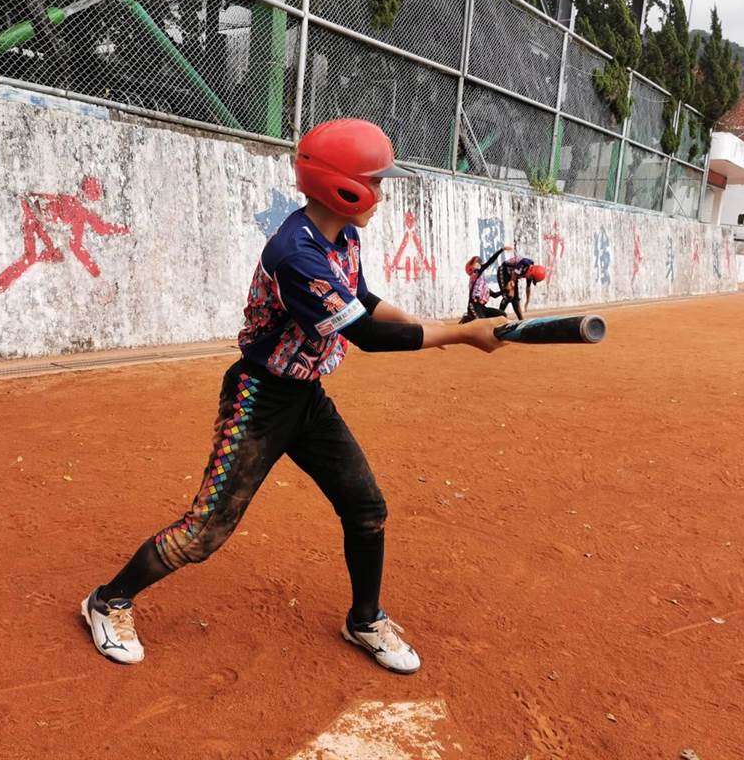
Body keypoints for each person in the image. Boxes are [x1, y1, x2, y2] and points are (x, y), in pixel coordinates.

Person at [80, 119, 507, 674]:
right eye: (376, 182)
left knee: (366, 508)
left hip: (306, 398)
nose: (381, 194)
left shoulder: (343, 237)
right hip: (259, 401)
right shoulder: (296, 255)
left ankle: (365, 618)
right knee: (204, 533)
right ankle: (107, 601)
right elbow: (369, 338)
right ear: (343, 189)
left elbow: (364, 301)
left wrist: (436, 327)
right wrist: (461, 336)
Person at [458, 249, 506, 322]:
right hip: (473, 306)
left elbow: (495, 295)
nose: (479, 265)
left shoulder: (484, 287)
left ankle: (468, 317)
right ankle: (467, 318)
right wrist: (501, 250)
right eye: (476, 263)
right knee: (481, 323)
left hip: (482, 308)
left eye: (478, 263)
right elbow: (490, 261)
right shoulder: (475, 275)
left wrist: (507, 289)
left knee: (502, 314)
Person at [497, 254, 547, 321]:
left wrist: (527, 301)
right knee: (508, 296)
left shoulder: (530, 272)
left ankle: (521, 320)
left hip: (513, 275)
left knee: (515, 300)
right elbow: (515, 273)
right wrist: (511, 288)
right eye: (532, 278)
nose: (531, 279)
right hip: (504, 271)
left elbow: (528, 288)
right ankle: (498, 316)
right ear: (531, 272)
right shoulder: (524, 263)